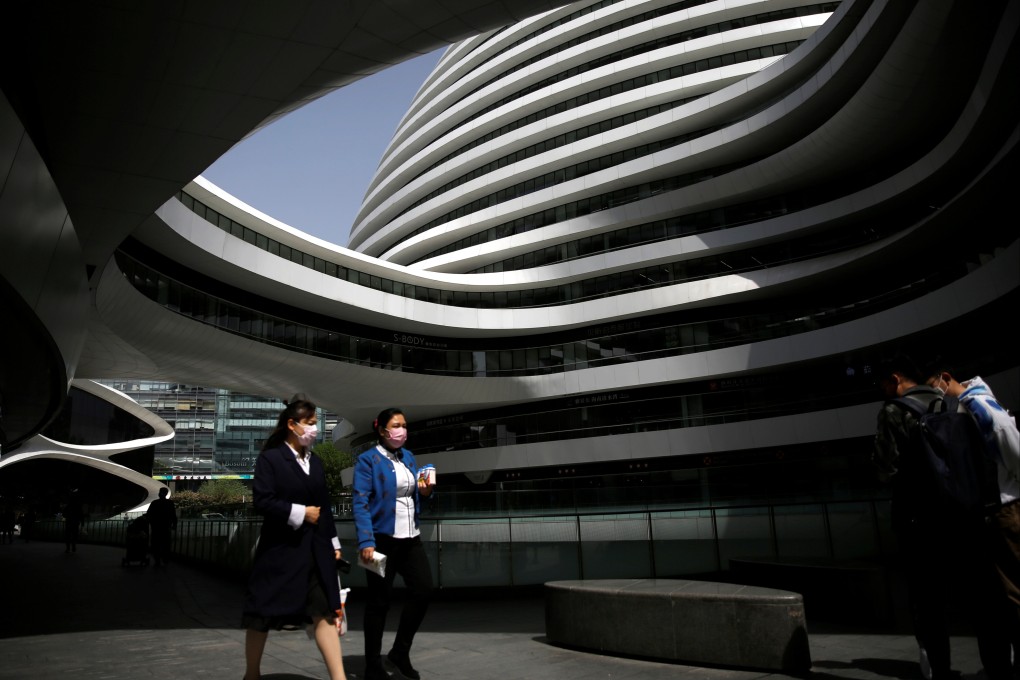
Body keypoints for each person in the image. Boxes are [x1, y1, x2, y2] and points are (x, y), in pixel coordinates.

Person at [872, 353, 1011, 680]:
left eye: (883, 384)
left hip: (921, 525)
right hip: (970, 518)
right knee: (985, 602)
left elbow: (884, 471)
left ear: (896, 379)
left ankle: (942, 672)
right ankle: (999, 669)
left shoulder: (894, 412)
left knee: (929, 604)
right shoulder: (955, 404)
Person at [241, 399, 347, 680]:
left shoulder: (317, 462)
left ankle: (340, 678)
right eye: (310, 423)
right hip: (279, 551)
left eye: (315, 422)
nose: (314, 428)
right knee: (261, 614)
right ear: (292, 424)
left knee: (324, 611)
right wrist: (300, 512)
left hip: (315, 549)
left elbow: (324, 507)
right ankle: (252, 674)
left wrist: (334, 544)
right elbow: (262, 501)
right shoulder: (271, 458)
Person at [925, 364, 1020, 672]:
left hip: (1003, 509)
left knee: (1010, 594)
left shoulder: (976, 404)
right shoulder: (966, 407)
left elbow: (1008, 440)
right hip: (995, 510)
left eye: (935, 383)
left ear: (947, 377)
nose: (935, 390)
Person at [353, 407, 436, 680]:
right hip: (380, 542)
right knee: (379, 603)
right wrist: (366, 539)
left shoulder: (408, 457)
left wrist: (425, 492)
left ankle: (400, 652)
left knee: (423, 590)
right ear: (382, 430)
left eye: (404, 425)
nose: (402, 430)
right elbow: (360, 501)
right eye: (396, 425)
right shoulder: (368, 460)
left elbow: (414, 497)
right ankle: (372, 666)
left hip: (411, 539)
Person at [146, 487, 178, 566]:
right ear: (167, 494)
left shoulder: (154, 503)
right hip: (166, 527)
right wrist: (174, 525)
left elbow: (149, 514)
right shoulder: (170, 503)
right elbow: (173, 515)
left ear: (159, 493)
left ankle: (157, 560)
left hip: (156, 527)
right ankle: (165, 559)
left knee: (156, 543)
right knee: (166, 543)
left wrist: (151, 523)